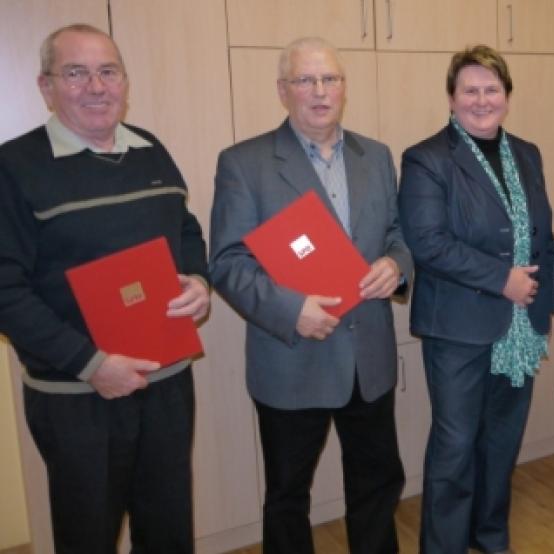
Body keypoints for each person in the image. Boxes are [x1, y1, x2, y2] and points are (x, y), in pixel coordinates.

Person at [0, 23, 210, 553]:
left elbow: (184, 228)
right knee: (88, 537)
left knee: (168, 532)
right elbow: (4, 291)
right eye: (76, 73)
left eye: (107, 71)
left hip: (167, 383)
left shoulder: (151, 148)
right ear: (46, 87)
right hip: (78, 395)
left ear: (124, 81)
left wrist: (199, 280)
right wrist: (93, 365)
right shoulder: (13, 166)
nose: (96, 86)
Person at [209, 37, 410, 554]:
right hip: (292, 358)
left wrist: (396, 264)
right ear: (283, 91)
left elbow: (398, 233)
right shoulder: (244, 163)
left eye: (330, 79)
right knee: (287, 497)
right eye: (305, 80)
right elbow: (228, 263)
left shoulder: (377, 155)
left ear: (344, 87)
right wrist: (290, 309)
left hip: (369, 358)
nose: (320, 91)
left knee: (377, 484)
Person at [398, 44, 554, 554]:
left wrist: (544, 306)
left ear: (507, 96)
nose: (482, 99)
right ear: (451, 98)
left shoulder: (527, 153)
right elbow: (428, 242)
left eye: (492, 89)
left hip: (518, 327)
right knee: (456, 447)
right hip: (458, 328)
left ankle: (490, 539)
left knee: (501, 444)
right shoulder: (426, 159)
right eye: (470, 90)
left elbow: (543, 238)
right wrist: (501, 279)